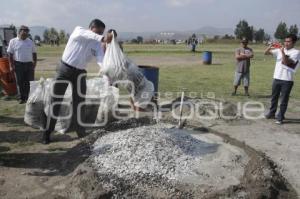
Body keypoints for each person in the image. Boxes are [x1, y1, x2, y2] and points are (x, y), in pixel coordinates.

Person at [43, 19, 113, 144]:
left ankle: (81, 132)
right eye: (98, 31)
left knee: (79, 103)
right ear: (91, 28)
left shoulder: (96, 44)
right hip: (64, 70)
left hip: (79, 73)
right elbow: (91, 36)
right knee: (56, 101)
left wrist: (107, 75)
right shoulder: (79, 31)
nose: (100, 34)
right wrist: (102, 38)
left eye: (102, 32)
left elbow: (101, 60)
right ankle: (47, 133)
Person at [264, 34, 300, 124]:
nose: (286, 43)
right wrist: (270, 46)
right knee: (274, 98)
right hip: (276, 77)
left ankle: (280, 117)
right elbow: (266, 53)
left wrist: (282, 52)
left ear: (294, 42)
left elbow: (286, 62)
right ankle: (272, 113)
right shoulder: (280, 50)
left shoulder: (296, 52)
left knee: (283, 100)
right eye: (285, 41)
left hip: (287, 80)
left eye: (288, 41)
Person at [7, 25, 37, 104]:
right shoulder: (13, 41)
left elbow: (34, 53)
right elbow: (10, 54)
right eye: (24, 32)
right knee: (20, 82)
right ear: (19, 32)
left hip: (29, 64)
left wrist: (34, 63)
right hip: (18, 64)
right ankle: (21, 97)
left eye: (27, 32)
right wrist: (11, 65)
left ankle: (28, 97)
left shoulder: (30, 41)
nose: (25, 34)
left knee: (30, 81)